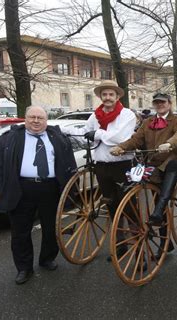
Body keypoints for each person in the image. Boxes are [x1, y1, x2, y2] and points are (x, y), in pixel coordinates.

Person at [0, 106, 77, 284]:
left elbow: (69, 164)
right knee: (20, 232)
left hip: (51, 189)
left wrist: (71, 189)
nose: (36, 121)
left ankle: (47, 259)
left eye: (40, 118)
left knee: (51, 228)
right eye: (32, 117)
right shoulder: (9, 138)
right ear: (26, 118)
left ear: (46, 120)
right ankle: (24, 268)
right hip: (21, 189)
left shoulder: (58, 138)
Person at [61, 80, 136, 261]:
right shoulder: (96, 115)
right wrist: (63, 130)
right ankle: (120, 244)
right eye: (104, 95)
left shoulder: (127, 115)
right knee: (110, 205)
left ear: (117, 96)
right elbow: (86, 132)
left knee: (129, 206)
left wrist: (98, 134)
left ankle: (137, 242)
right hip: (102, 165)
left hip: (122, 165)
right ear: (100, 97)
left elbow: (119, 137)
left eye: (111, 94)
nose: (108, 97)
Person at [110, 92, 177, 256]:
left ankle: (158, 216)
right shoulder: (148, 122)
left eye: (163, 102)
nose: (160, 105)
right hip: (154, 165)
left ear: (169, 103)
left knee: (161, 202)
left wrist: (169, 143)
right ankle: (166, 241)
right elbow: (136, 140)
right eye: (157, 103)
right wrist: (122, 147)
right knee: (158, 198)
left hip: (171, 161)